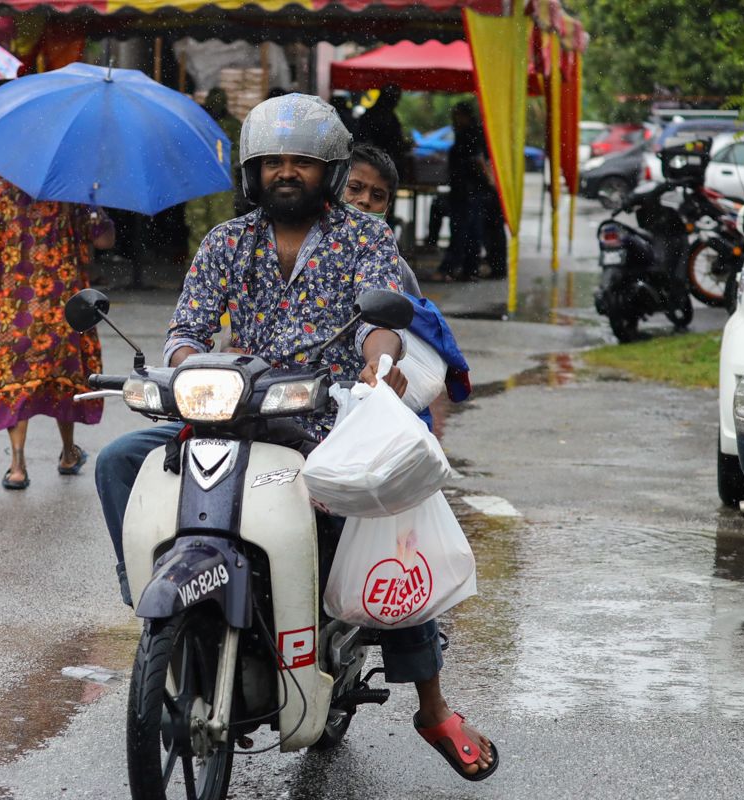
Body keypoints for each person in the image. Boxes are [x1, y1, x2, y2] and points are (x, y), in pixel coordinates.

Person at [93, 94, 496, 781]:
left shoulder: (365, 238)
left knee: (390, 517)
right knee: (119, 461)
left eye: (301, 162)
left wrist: (380, 362)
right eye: (273, 161)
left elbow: (380, 323)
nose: (286, 172)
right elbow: (187, 330)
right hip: (234, 414)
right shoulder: (226, 242)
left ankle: (432, 705)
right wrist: (189, 370)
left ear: (329, 171)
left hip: (325, 422)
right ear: (253, 172)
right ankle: (154, 610)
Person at [0, 178, 116, 490]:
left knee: (15, 381)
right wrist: (96, 207)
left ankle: (17, 466)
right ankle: (68, 453)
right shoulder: (72, 190)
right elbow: (105, 240)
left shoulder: (0, 193)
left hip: (13, 307)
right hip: (62, 304)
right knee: (63, 379)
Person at [342, 144, 420, 296]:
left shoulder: (395, 265)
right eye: (355, 188)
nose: (365, 200)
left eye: (377, 196)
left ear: (387, 209)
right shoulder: (307, 248)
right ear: (335, 188)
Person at [185, 89, 242, 258]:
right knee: (197, 225)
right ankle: (196, 265)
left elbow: (239, 151)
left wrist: (220, 157)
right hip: (200, 179)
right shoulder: (199, 122)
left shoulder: (233, 125)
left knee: (222, 227)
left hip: (221, 182)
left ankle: (220, 265)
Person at [436, 102, 489, 281]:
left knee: (462, 230)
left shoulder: (469, 134)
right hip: (468, 188)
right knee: (470, 230)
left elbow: (478, 159)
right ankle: (468, 268)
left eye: (457, 116)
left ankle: (453, 267)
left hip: (467, 189)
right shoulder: (470, 133)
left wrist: (487, 180)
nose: (455, 120)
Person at [354, 84, 410, 182]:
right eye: (394, 99)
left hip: (382, 161)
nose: (396, 103)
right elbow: (364, 140)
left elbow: (397, 142)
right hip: (375, 162)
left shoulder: (390, 118)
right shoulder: (375, 116)